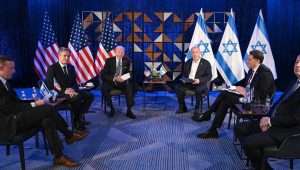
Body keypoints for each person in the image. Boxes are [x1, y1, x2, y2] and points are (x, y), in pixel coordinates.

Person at [0, 56, 87, 167]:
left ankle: (59, 156)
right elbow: (9, 108)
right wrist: (35, 104)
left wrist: (35, 101)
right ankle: (69, 135)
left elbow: (15, 103)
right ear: (1, 68)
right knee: (47, 109)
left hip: (16, 117)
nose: (14, 71)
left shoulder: (5, 82)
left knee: (47, 120)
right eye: (11, 68)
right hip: (7, 124)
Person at [235, 54, 300, 170]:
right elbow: (279, 105)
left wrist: (271, 121)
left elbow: (295, 118)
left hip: (287, 132)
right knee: (240, 127)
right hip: (274, 121)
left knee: (249, 142)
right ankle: (260, 165)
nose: (298, 65)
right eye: (296, 62)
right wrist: (266, 117)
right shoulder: (294, 82)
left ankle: (262, 166)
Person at [195, 50, 275, 138]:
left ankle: (208, 115)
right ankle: (213, 130)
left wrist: (245, 91)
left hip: (258, 104)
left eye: (250, 59)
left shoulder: (265, 73)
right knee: (225, 99)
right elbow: (245, 83)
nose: (248, 61)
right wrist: (233, 87)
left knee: (225, 94)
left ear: (258, 61)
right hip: (248, 98)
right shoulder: (252, 70)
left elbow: (263, 94)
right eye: (248, 59)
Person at [46, 47, 94, 131]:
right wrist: (65, 91)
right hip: (60, 94)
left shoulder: (71, 67)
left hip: (72, 91)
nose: (67, 58)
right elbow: (50, 86)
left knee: (90, 96)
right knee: (77, 98)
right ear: (59, 56)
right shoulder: (52, 68)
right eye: (65, 56)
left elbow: (75, 82)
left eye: (68, 56)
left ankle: (78, 116)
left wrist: (72, 90)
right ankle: (77, 121)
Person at [101, 45, 136, 119]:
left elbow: (130, 73)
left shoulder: (127, 60)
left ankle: (129, 110)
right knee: (104, 88)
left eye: (122, 52)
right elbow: (104, 74)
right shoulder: (109, 61)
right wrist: (114, 78)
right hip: (112, 82)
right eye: (119, 51)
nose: (121, 53)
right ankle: (111, 108)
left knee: (131, 86)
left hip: (122, 82)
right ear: (115, 52)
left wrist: (123, 78)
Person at [175, 46, 212, 114]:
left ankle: (197, 109)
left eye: (196, 52)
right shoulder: (188, 62)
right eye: (193, 52)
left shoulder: (206, 63)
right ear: (191, 54)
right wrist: (184, 79)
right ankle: (183, 107)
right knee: (178, 87)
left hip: (200, 83)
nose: (195, 54)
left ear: (200, 53)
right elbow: (184, 74)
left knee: (198, 89)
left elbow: (209, 76)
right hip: (189, 82)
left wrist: (199, 80)